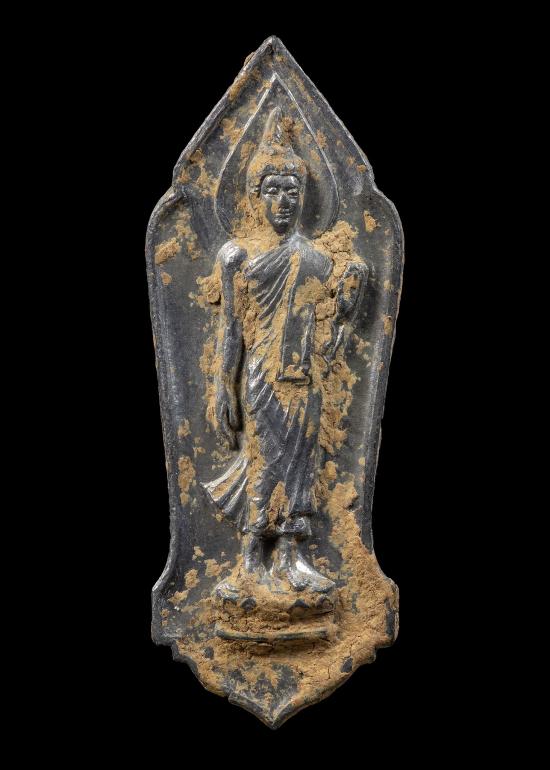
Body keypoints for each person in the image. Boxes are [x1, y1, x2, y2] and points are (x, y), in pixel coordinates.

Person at [202, 108, 366, 598]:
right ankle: (250, 558)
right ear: (254, 196)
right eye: (272, 190)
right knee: (264, 461)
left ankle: (292, 556)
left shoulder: (316, 258)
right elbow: (231, 328)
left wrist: (346, 304)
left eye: (292, 191)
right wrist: (222, 385)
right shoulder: (237, 256)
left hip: (305, 381)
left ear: (304, 197)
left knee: (300, 466)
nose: (283, 201)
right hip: (261, 377)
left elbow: (329, 331)